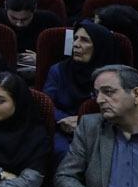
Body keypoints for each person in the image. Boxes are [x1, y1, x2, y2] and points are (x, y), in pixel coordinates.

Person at [44, 22, 116, 159]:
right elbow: (47, 105)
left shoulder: (113, 78)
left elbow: (119, 110)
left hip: (102, 130)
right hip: (62, 129)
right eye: (75, 38)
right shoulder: (58, 70)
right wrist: (64, 119)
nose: (76, 44)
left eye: (84, 40)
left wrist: (81, 121)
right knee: (64, 152)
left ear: (99, 47)